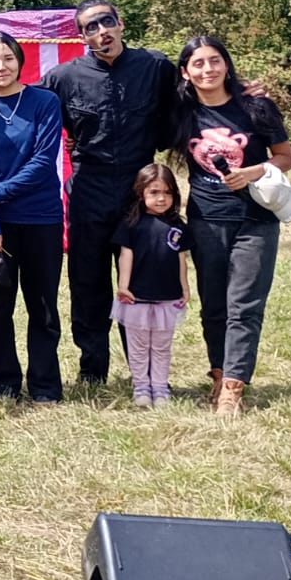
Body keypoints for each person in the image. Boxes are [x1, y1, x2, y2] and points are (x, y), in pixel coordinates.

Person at [39, 0, 178, 384]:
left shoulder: (155, 67)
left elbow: (196, 96)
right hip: (89, 189)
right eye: (91, 27)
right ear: (81, 36)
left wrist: (245, 95)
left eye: (106, 22)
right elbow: (25, 106)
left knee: (142, 282)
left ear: (120, 23)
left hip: (140, 192)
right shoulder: (64, 78)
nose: (102, 31)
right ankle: (92, 368)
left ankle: (144, 370)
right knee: (88, 281)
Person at [171, 35, 291, 415]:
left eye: (215, 60)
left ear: (226, 65)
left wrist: (255, 170)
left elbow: (285, 157)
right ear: (185, 72)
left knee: (245, 305)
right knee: (214, 305)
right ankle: (218, 372)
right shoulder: (180, 112)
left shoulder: (256, 107)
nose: (207, 69)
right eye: (198, 63)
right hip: (206, 221)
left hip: (256, 220)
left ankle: (233, 388)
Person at [0, 33, 65, 403]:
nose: (1, 67)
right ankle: (2, 382)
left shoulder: (45, 102)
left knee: (43, 306)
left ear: (20, 60)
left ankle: (45, 385)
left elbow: (43, 163)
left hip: (42, 219)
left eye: (7, 58)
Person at [111, 164, 190, 408]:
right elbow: (125, 256)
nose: (161, 198)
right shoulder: (131, 224)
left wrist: (185, 287)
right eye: (154, 192)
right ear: (141, 193)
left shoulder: (178, 226)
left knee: (161, 346)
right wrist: (123, 286)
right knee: (139, 346)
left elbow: (181, 258)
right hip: (136, 297)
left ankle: (160, 387)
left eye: (167, 193)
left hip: (168, 296)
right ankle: (141, 387)